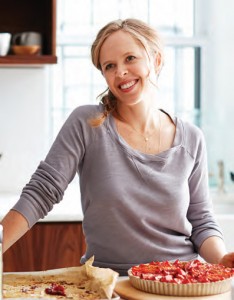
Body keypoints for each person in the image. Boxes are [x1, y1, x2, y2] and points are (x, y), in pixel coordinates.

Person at [1, 18, 234, 276]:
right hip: (107, 284)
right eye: (109, 66)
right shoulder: (87, 123)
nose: (120, 71)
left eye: (130, 58)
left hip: (177, 283)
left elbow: (201, 221)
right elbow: (42, 191)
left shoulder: (191, 138)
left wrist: (221, 258)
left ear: (156, 60)